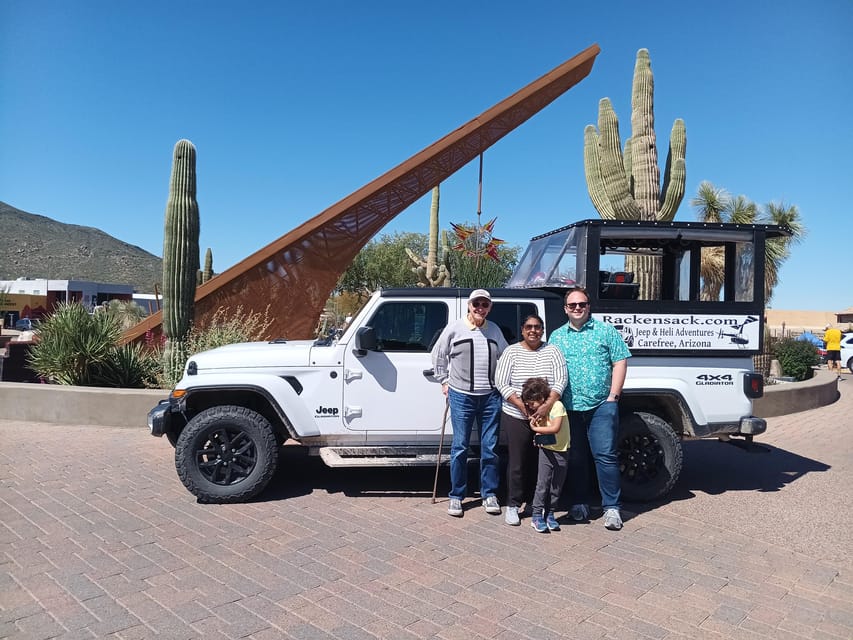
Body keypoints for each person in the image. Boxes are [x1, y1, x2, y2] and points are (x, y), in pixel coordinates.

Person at [550, 286, 631, 531]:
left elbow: (620, 361)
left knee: (605, 456)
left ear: (588, 306)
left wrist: (613, 397)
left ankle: (612, 508)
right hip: (569, 407)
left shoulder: (605, 331)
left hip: (600, 406)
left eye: (581, 304)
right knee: (575, 457)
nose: (577, 308)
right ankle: (579, 503)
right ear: (565, 309)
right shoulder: (557, 336)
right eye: (572, 305)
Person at [431, 289, 508, 517]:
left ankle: (489, 493)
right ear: (469, 305)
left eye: (485, 304)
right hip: (461, 395)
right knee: (460, 447)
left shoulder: (494, 329)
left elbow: (504, 357)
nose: (480, 308)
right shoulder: (455, 328)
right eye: (477, 304)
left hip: (491, 397)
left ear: (490, 307)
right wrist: (444, 381)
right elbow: (438, 355)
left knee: (490, 448)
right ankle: (456, 495)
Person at [495, 314, 567, 526]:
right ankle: (513, 504)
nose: (533, 331)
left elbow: (561, 380)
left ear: (542, 330)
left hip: (547, 416)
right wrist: (522, 406)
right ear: (522, 329)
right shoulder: (511, 352)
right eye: (529, 327)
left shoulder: (552, 351)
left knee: (543, 463)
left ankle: (539, 504)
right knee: (517, 462)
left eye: (537, 327)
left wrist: (545, 406)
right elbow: (501, 382)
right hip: (516, 414)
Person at [521, 377, 570, 533]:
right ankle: (537, 515)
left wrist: (535, 429)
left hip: (561, 450)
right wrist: (538, 434)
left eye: (532, 403)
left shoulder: (557, 406)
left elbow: (555, 428)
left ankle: (550, 513)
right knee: (542, 483)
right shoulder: (539, 411)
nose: (530, 407)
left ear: (541, 398)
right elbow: (544, 431)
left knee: (556, 484)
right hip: (546, 450)